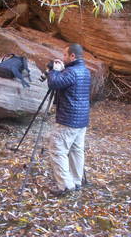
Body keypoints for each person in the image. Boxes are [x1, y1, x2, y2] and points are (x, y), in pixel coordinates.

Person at [47, 43, 91, 197]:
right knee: (76, 150)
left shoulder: (71, 72)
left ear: (73, 56)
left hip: (69, 119)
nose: (63, 58)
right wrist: (59, 71)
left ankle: (66, 186)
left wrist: (53, 71)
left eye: (65, 55)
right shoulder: (85, 71)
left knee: (57, 149)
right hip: (81, 119)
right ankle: (76, 181)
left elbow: (54, 83)